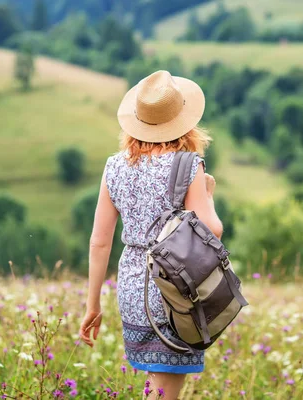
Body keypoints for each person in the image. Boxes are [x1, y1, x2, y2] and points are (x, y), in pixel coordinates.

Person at [78, 70, 223, 399]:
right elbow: (211, 229)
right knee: (164, 393)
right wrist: (209, 195)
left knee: (156, 389)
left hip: (132, 288)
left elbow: (100, 241)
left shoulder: (114, 166)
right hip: (175, 288)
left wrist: (93, 304)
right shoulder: (189, 165)